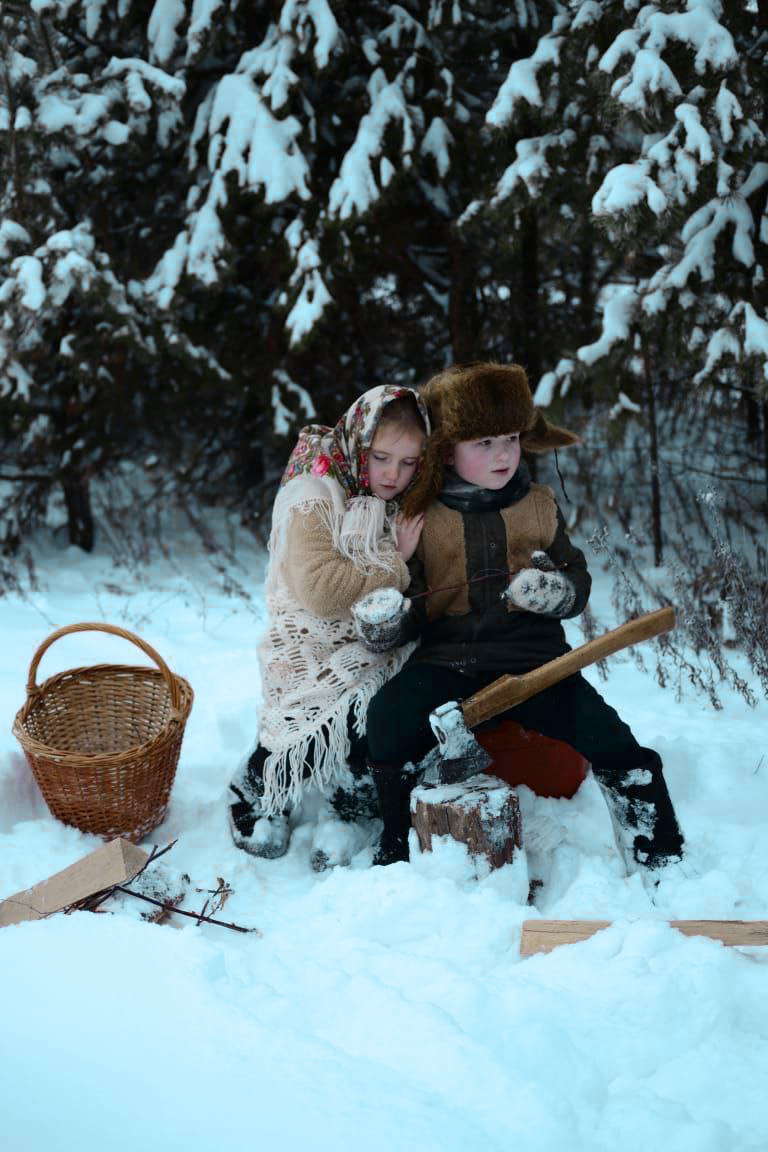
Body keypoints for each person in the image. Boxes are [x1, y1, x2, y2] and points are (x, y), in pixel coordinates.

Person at [357, 361, 685, 871]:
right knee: (387, 717)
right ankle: (397, 841)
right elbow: (415, 606)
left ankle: (658, 847)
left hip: (535, 664)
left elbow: (576, 582)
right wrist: (388, 618)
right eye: (483, 443)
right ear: (447, 449)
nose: (503, 453)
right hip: (449, 664)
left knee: (610, 737)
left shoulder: (538, 505)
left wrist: (552, 591)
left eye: (510, 437)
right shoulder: (424, 515)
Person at [229, 384, 429, 860]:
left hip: (371, 637)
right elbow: (320, 591)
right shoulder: (313, 490)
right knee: (314, 717)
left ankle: (348, 799)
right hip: (308, 640)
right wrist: (394, 561)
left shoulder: (384, 499)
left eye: (408, 463)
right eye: (381, 457)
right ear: (360, 441)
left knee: (381, 703)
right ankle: (258, 785)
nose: (392, 475)